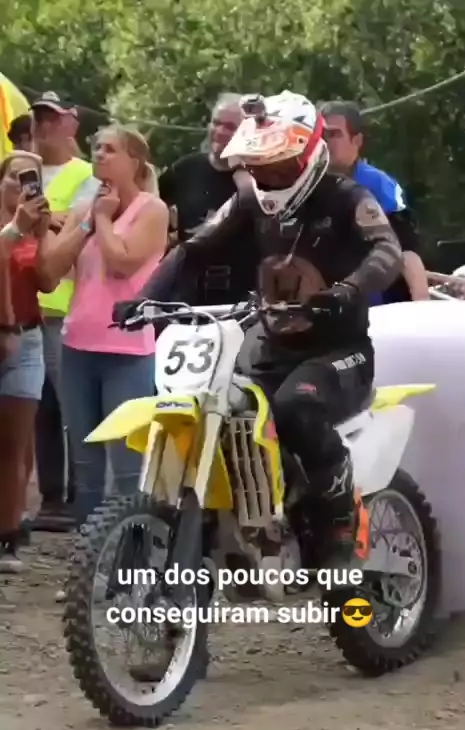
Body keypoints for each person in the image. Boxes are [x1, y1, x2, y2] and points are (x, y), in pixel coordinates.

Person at [112, 91, 403, 567]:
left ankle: (338, 519)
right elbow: (194, 247)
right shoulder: (249, 200)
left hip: (338, 349)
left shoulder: (347, 197)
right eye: (259, 162)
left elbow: (387, 250)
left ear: (308, 155)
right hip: (268, 345)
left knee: (296, 406)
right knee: (220, 404)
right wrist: (146, 297)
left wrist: (348, 290)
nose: (269, 173)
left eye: (280, 163)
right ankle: (241, 521)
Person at [40, 124, 168, 524]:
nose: (98, 154)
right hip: (78, 345)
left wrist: (103, 219)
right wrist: (86, 223)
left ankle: (130, 550)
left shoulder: (152, 210)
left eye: (110, 149)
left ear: (135, 160)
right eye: (96, 147)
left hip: (127, 349)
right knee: (85, 461)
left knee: (127, 462)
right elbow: (50, 270)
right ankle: (86, 549)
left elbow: (122, 262)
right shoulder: (87, 209)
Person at [31, 91, 100, 532]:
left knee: (69, 406)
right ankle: (51, 496)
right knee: (39, 408)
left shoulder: (86, 174)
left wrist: (48, 220)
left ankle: (79, 495)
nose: (43, 126)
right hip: (24, 306)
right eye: (38, 117)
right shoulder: (22, 169)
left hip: (64, 305)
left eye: (52, 118)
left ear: (71, 125)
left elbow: (80, 226)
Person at [0, 150, 56, 572]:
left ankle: (8, 536)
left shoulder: (31, 227)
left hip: (27, 338)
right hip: (4, 333)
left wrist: (42, 234)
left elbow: (49, 281)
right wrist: (15, 228)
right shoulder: (10, 227)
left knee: (15, 447)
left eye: (31, 178)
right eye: (15, 177)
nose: (22, 186)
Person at [319, 100, 429, 304]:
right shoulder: (304, 183)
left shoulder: (380, 186)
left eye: (334, 134)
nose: (326, 142)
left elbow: (406, 251)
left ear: (357, 140)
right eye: (322, 135)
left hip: (371, 307)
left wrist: (421, 303)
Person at [158, 93, 258, 305]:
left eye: (230, 127)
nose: (220, 132)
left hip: (239, 296)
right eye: (216, 123)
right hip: (187, 292)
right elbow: (149, 205)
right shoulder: (186, 169)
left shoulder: (261, 176)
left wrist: (242, 172)